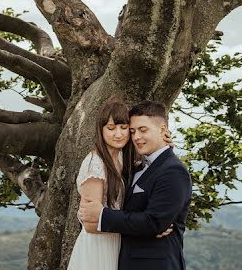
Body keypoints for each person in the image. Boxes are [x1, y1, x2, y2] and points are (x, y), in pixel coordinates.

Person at [78, 100, 192, 270]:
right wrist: (149, 227)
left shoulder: (173, 170)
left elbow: (153, 222)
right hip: (117, 256)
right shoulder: (134, 164)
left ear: (163, 130)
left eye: (143, 130)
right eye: (132, 131)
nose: (136, 137)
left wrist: (103, 216)